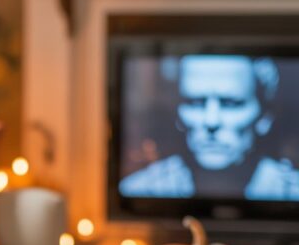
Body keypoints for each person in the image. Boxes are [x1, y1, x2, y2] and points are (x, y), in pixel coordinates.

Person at [119, 55, 299, 201]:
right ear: (178, 114)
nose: (211, 122)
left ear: (264, 116)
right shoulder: (140, 188)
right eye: (196, 103)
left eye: (230, 103)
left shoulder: (292, 192)